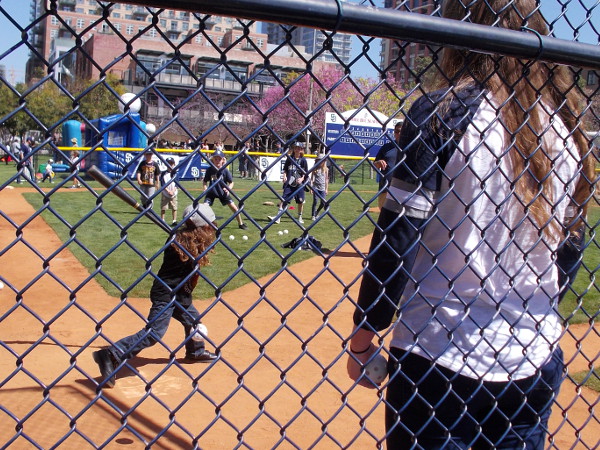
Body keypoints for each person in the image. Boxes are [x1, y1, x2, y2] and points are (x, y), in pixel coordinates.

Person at [346, 1, 593, 448]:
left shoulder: (441, 112)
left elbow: (398, 239)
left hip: (438, 354)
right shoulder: (566, 124)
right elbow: (571, 246)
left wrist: (364, 335)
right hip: (532, 350)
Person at [93, 204, 219, 388]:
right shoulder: (180, 244)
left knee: (193, 319)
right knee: (154, 334)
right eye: (210, 226)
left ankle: (195, 352)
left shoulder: (191, 240)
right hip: (166, 294)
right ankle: (112, 354)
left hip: (180, 293)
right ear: (200, 227)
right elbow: (184, 263)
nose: (213, 229)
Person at [203, 150, 248, 230]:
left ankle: (240, 223)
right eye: (215, 159)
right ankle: (202, 224)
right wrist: (205, 188)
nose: (217, 161)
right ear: (212, 159)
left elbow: (231, 182)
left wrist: (228, 189)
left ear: (223, 160)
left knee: (234, 208)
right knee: (204, 208)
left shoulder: (225, 170)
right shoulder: (210, 170)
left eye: (219, 159)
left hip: (223, 192)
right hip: (211, 192)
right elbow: (205, 181)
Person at [267, 141, 308, 224]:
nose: (297, 149)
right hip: (289, 183)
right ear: (293, 149)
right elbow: (285, 169)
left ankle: (300, 217)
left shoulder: (303, 160)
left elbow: (305, 172)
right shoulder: (290, 158)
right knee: (283, 199)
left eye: (299, 148)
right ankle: (278, 218)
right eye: (295, 148)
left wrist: (302, 179)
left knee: (300, 201)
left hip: (299, 184)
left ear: (301, 149)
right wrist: (285, 176)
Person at [373, 122, 401, 209]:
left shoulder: (411, 149)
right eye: (396, 131)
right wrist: (378, 163)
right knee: (383, 218)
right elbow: (374, 165)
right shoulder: (386, 147)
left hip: (403, 189)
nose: (399, 134)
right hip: (385, 188)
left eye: (401, 131)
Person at [160, 157, 178, 225]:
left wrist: (173, 191)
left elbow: (177, 184)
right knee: (163, 207)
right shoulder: (163, 173)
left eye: (171, 163)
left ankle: (174, 220)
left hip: (173, 193)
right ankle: (162, 219)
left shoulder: (175, 173)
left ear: (174, 164)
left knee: (174, 207)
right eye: (168, 163)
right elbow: (163, 184)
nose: (170, 165)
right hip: (165, 193)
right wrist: (168, 191)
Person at [310, 156, 328, 221]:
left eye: (322, 160)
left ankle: (317, 212)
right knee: (315, 201)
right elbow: (312, 179)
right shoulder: (314, 168)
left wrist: (326, 189)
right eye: (319, 160)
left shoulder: (325, 169)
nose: (320, 162)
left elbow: (326, 180)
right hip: (316, 187)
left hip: (322, 188)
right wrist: (311, 188)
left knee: (323, 202)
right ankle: (313, 215)